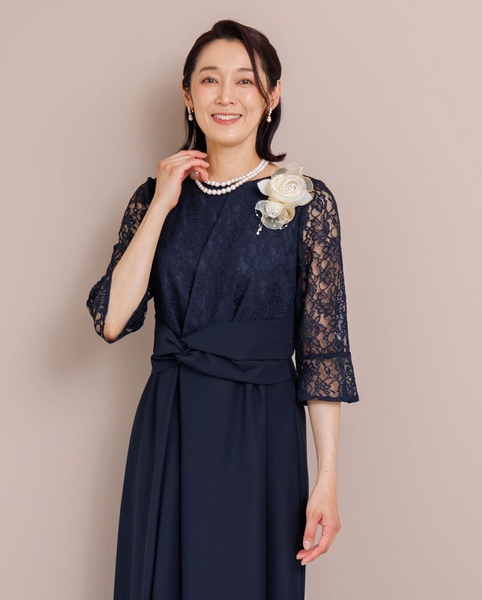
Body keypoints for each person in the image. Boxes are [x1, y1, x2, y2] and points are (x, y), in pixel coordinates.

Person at [86, 19, 360, 600]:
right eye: (210, 80)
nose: (226, 96)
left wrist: (327, 479)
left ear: (272, 95)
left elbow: (322, 354)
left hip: (261, 433)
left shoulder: (309, 204)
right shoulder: (153, 198)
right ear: (188, 95)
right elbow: (112, 320)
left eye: (245, 81)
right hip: (171, 426)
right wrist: (161, 204)